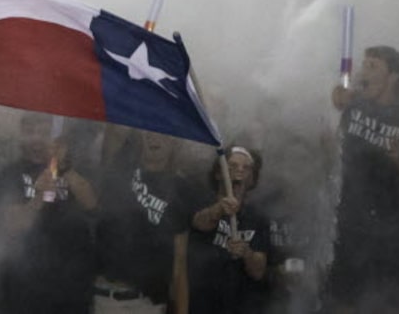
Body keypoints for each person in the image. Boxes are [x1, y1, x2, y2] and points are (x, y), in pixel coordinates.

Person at [324, 46, 399, 314]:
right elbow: (329, 139)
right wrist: (335, 96)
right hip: (350, 224)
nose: (363, 71)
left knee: (386, 302)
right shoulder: (353, 104)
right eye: (363, 64)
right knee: (342, 302)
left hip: (391, 229)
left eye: (372, 66)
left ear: (393, 76)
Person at [0, 112, 97, 314]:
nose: (37, 139)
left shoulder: (74, 168)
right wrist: (39, 198)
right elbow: (11, 225)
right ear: (21, 135)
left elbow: (92, 204)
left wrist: (64, 167)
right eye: (30, 132)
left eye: (44, 132)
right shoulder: (9, 173)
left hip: (72, 289)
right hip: (25, 288)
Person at [92, 129, 193, 314]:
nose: (154, 138)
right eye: (148, 133)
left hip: (148, 303)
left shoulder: (181, 188)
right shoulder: (119, 171)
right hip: (107, 298)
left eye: (163, 133)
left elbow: (179, 263)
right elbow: (114, 132)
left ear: (174, 143)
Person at [186, 147, 269, 314]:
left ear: (252, 179)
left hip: (240, 306)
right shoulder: (200, 199)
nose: (239, 171)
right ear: (218, 173)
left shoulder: (258, 219)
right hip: (201, 304)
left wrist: (247, 253)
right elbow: (200, 222)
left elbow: (259, 271)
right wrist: (219, 209)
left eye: (246, 168)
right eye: (232, 166)